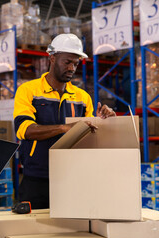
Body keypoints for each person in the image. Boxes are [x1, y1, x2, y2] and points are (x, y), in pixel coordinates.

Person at [13, 33, 116, 209]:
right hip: (37, 177)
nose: (71, 68)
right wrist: (64, 128)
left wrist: (101, 121)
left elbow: (90, 134)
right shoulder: (28, 90)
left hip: (72, 176)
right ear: (52, 58)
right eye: (67, 62)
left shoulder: (82, 97)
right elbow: (25, 130)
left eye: (75, 64)